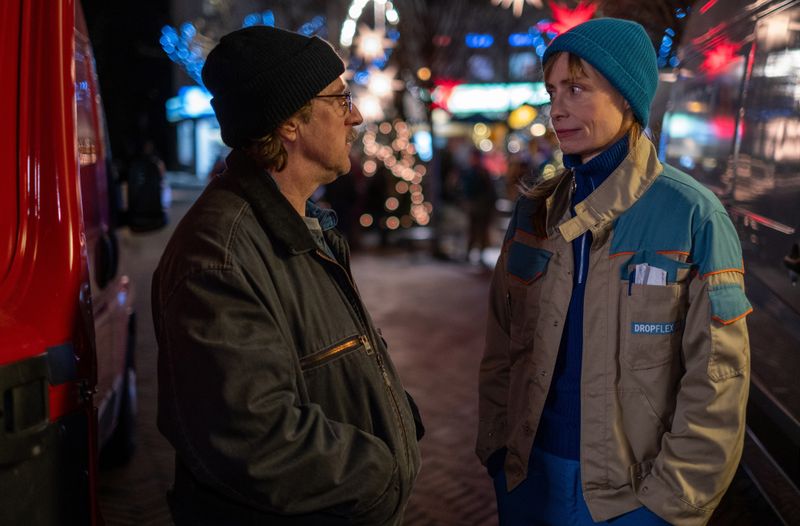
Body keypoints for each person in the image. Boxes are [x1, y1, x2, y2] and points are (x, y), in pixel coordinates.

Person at [477, 18, 751, 526]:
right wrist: (497, 450)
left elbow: (718, 379)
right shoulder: (536, 211)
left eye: (578, 89)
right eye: (552, 90)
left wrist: (669, 502)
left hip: (632, 500)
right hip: (526, 481)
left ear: (627, 97)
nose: (557, 108)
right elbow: (501, 346)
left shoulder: (692, 215)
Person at [152, 26, 423, 525]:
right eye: (340, 99)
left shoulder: (301, 226)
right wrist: (380, 470)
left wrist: (397, 418)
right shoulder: (220, 258)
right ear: (289, 124)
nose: (356, 116)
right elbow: (252, 438)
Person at [461, 148, 498, 265]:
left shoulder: (480, 172)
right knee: (474, 230)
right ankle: (472, 253)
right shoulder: (472, 172)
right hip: (477, 205)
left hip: (481, 205)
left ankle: (479, 253)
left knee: (480, 230)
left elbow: (490, 191)